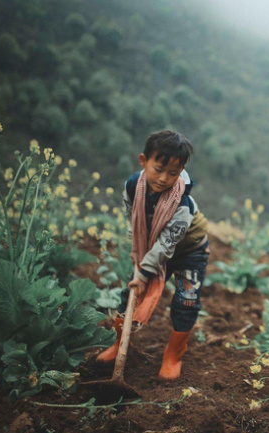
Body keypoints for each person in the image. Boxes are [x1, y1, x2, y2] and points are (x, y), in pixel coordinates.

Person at [96, 130, 210, 380]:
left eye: (173, 173)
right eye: (159, 169)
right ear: (143, 161)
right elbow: (134, 220)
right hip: (151, 249)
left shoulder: (182, 205)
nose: (164, 178)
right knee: (130, 295)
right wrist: (137, 248)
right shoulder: (132, 186)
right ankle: (120, 345)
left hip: (189, 252)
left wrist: (145, 272)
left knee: (186, 301)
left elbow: (167, 244)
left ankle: (173, 355)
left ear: (181, 172)